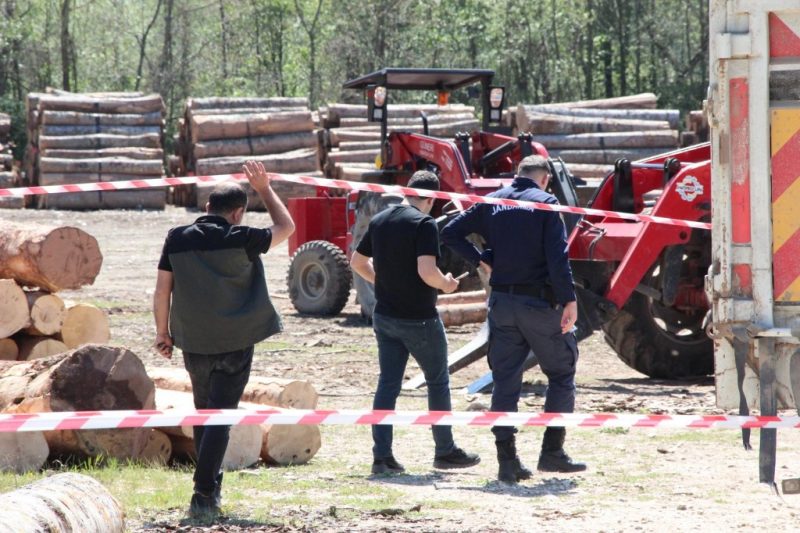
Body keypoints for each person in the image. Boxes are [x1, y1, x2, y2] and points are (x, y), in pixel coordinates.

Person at [152, 160, 295, 516]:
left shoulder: (176, 237)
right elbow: (287, 226)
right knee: (220, 416)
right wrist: (263, 188)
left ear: (206, 209)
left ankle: (209, 485)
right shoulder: (242, 237)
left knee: (205, 414)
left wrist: (162, 333)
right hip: (235, 342)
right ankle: (203, 493)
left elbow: (161, 291)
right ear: (238, 214)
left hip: (193, 342)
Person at [441, 154, 585, 483]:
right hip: (539, 305)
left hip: (502, 304)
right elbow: (557, 257)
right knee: (562, 374)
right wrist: (569, 300)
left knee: (505, 381)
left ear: (517, 175)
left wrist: (482, 260)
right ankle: (552, 453)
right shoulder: (546, 204)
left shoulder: (491, 201)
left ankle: (507, 462)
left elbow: (450, 232)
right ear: (545, 179)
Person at [350, 170, 481, 474]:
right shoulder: (424, 224)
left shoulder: (381, 219)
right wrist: (446, 284)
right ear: (433, 198)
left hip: (385, 315)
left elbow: (357, 262)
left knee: (388, 385)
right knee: (437, 382)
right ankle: (445, 450)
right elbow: (427, 272)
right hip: (419, 319)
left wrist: (382, 281)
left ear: (408, 191)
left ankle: (381, 457)